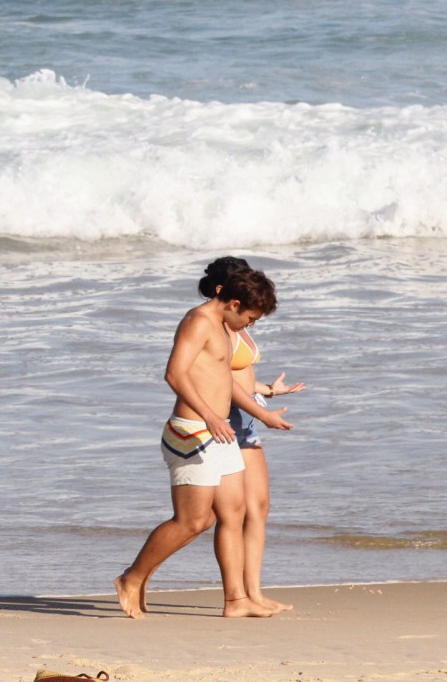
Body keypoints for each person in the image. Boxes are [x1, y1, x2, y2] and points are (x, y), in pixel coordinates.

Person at [115, 264, 287, 619]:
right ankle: (131, 578)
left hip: (220, 431)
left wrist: (263, 409)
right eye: (251, 318)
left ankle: (236, 601)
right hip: (193, 431)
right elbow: (174, 373)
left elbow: (225, 381)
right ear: (235, 303)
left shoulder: (223, 326)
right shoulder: (198, 322)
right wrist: (209, 414)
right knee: (192, 521)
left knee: (232, 513)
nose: (251, 326)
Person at [217, 257, 306, 613]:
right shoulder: (216, 325)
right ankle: (235, 597)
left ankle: (254, 592)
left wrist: (268, 389)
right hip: (229, 420)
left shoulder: (239, 326)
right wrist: (263, 413)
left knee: (259, 508)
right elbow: (223, 382)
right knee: (233, 513)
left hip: (248, 418)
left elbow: (243, 377)